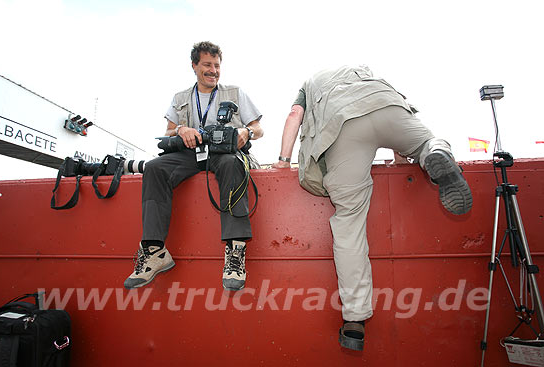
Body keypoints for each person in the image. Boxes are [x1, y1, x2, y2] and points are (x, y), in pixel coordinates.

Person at [272, 65, 472, 351]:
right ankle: (433, 155)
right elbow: (386, 117)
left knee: (349, 223)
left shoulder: (310, 83)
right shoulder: (366, 74)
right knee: (427, 142)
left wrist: (283, 159)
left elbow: (295, 116)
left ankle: (354, 322)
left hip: (343, 126)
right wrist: (399, 155)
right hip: (387, 105)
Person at [125, 41, 263, 291]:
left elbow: (258, 128)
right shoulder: (180, 98)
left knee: (233, 164)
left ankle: (235, 250)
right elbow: (168, 131)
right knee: (155, 168)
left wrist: (245, 132)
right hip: (190, 153)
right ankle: (155, 251)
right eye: (207, 65)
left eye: (217, 65)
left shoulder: (235, 92)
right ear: (194, 66)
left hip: (224, 153)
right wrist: (182, 129)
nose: (213, 70)